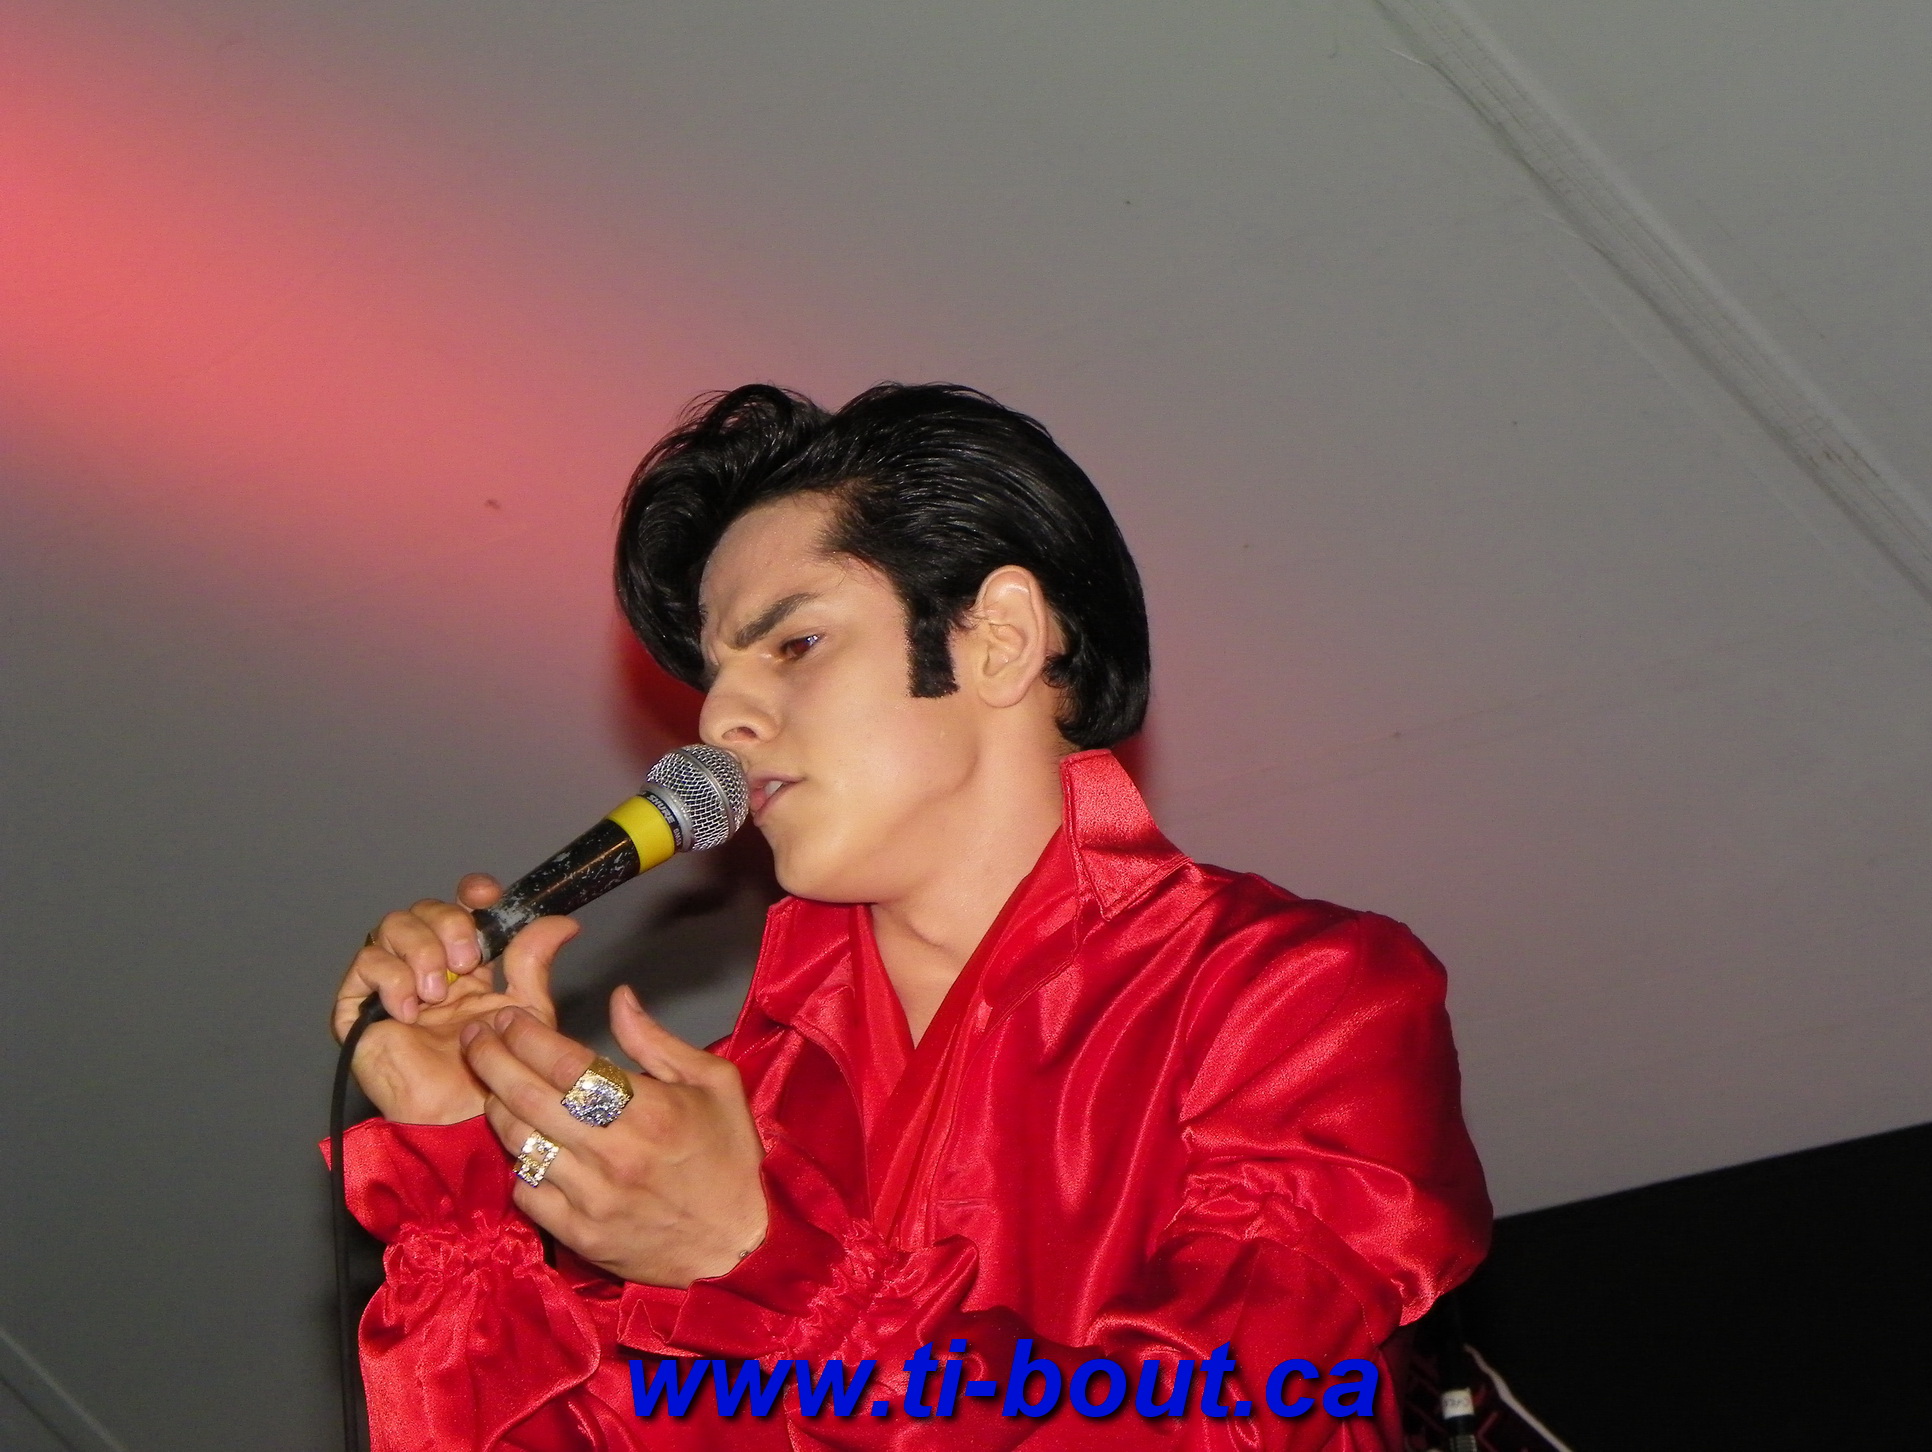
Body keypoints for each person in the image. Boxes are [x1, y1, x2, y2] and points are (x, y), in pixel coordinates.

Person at [330, 383, 1490, 1450]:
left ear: (999, 638)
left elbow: (1229, 1420)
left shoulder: (1298, 998)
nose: (721, 719)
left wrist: (762, 1264)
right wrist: (456, 1152)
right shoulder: (733, 1111)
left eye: (795, 643)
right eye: (711, 680)